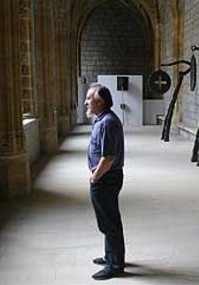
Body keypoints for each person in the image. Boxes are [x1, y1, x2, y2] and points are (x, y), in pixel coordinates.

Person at [85, 83, 125, 280]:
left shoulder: (107, 123)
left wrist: (95, 178)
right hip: (106, 178)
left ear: (99, 102)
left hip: (105, 179)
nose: (86, 102)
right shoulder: (103, 120)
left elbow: (108, 157)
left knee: (109, 223)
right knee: (108, 220)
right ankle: (111, 255)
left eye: (89, 98)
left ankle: (115, 265)